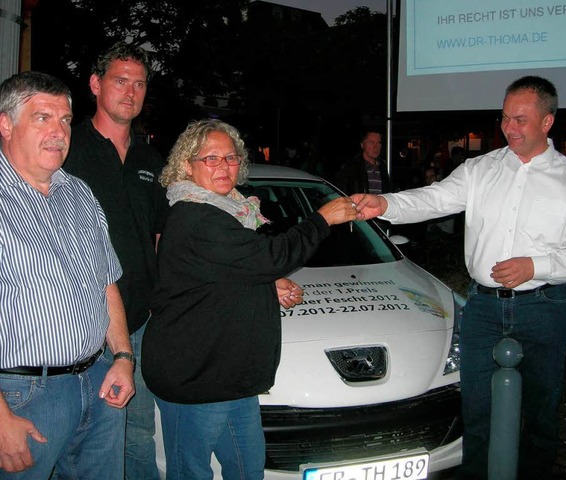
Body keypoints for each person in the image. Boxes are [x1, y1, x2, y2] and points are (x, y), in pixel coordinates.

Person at [352, 76, 566, 479]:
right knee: (476, 406)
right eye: (505, 118)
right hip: (482, 306)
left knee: (540, 408)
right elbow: (434, 198)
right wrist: (384, 204)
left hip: (544, 308)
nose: (509, 128)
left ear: (547, 122)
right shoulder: (481, 169)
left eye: (520, 119)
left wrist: (536, 266)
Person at [141, 119, 356, 479]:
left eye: (230, 157)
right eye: (210, 158)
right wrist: (321, 219)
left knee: (247, 469)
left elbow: (229, 268)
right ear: (187, 166)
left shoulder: (231, 210)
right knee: (190, 472)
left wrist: (266, 282)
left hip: (233, 375)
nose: (223, 166)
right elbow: (268, 255)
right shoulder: (196, 215)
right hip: (197, 377)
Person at [0, 72, 134, 478]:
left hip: (98, 380)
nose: (58, 132)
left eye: (64, 120)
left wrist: (124, 357)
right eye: (42, 118)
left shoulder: (79, 192)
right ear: (5, 124)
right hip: (23, 397)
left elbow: (106, 281)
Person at [63, 42, 168, 479]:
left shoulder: (151, 159)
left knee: (138, 433)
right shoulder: (67, 148)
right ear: (95, 84)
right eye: (120, 80)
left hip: (139, 321)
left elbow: (161, 236)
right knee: (76, 438)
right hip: (78, 321)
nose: (130, 91)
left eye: (139, 83)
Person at [336, 130, 392, 194]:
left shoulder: (382, 167)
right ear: (362, 145)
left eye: (379, 143)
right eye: (371, 142)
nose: (376, 147)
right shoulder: (352, 168)